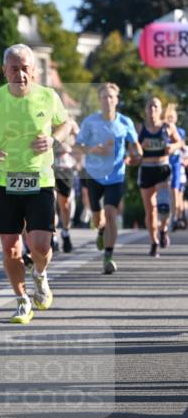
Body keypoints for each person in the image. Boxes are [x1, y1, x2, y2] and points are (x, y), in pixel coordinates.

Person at [0, 44, 70, 324]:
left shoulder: (49, 97)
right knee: (10, 248)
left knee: (40, 247)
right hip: (5, 182)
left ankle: (39, 275)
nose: (20, 74)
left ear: (34, 71)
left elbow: (65, 124)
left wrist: (53, 139)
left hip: (40, 180)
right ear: (5, 71)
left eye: (25, 68)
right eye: (14, 68)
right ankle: (22, 300)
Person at [74, 83, 141, 274]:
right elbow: (78, 146)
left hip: (116, 175)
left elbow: (136, 146)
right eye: (104, 97)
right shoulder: (90, 122)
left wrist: (136, 154)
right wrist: (94, 149)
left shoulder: (125, 122)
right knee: (98, 218)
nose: (108, 100)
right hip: (93, 174)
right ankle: (101, 231)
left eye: (111, 97)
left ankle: (108, 256)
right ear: (99, 100)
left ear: (117, 100)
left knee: (111, 212)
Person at [136, 95, 183, 256]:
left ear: (160, 110)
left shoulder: (167, 127)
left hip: (162, 168)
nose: (152, 110)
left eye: (156, 106)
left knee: (163, 205)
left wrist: (173, 147)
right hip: (146, 168)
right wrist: (138, 149)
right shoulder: (140, 128)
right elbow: (132, 149)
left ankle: (163, 229)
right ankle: (153, 241)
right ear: (146, 110)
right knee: (150, 211)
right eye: (150, 106)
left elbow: (180, 142)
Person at [53, 119, 79, 252]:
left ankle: (65, 232)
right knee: (50, 203)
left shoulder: (71, 123)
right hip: (49, 167)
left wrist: (72, 151)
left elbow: (81, 142)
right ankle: (53, 236)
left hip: (66, 167)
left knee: (65, 204)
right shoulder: (45, 120)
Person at [164, 103, 186, 230]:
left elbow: (182, 147)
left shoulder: (180, 132)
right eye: (168, 118)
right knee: (165, 192)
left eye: (172, 118)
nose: (170, 121)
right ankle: (168, 218)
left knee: (175, 191)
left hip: (176, 165)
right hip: (164, 165)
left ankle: (176, 217)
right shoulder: (162, 131)